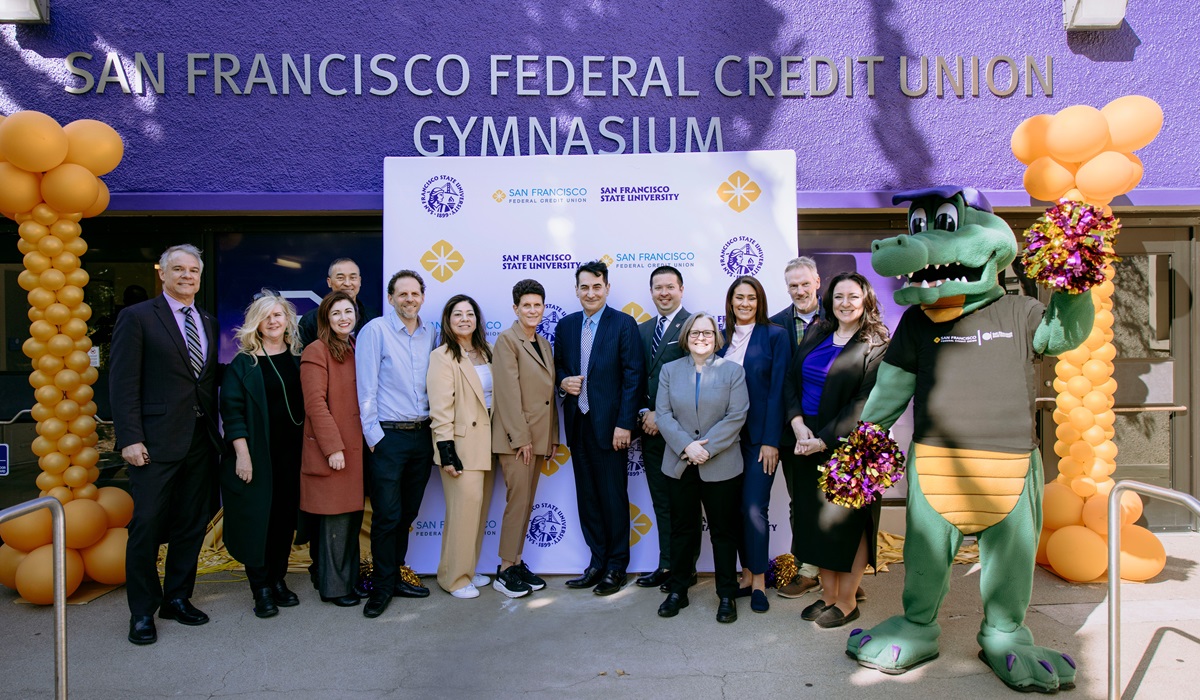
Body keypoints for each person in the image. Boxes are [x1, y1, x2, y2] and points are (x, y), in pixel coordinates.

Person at [110, 244, 221, 645]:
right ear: (163, 274)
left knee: (191, 525)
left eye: (193, 270)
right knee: (147, 526)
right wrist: (130, 437)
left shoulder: (207, 320)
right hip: (153, 443)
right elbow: (122, 383)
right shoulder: (137, 318)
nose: (187, 276)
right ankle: (142, 611)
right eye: (178, 269)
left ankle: (177, 597)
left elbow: (203, 381)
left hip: (199, 440)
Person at [785, 272, 889, 629]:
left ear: (866, 300)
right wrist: (797, 424)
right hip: (804, 440)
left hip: (849, 446)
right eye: (839, 296)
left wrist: (825, 438)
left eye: (853, 296)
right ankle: (828, 595)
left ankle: (847, 601)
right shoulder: (816, 332)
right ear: (829, 299)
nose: (845, 303)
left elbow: (865, 401)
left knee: (849, 525)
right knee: (817, 524)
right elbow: (791, 380)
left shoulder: (875, 342)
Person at [554, 260, 646, 596]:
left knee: (612, 498)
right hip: (578, 426)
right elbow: (559, 367)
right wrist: (564, 381)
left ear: (607, 287)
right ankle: (597, 562)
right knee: (588, 498)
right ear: (576, 290)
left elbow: (633, 377)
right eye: (584, 287)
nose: (590, 293)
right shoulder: (565, 326)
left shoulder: (623, 324)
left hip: (611, 429)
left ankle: (617, 566)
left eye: (596, 286)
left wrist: (625, 423)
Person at [653, 313, 748, 624]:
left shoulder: (733, 371)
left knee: (723, 531)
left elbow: (736, 416)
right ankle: (678, 590)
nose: (701, 337)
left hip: (720, 464)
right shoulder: (669, 371)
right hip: (680, 464)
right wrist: (686, 447)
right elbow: (663, 415)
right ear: (686, 336)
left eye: (707, 332)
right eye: (695, 332)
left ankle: (726, 594)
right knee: (682, 531)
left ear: (716, 337)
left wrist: (705, 449)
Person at [219, 290, 305, 619]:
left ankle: (278, 578)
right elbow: (233, 412)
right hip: (257, 455)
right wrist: (242, 454)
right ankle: (261, 588)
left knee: (284, 520)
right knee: (259, 521)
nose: (273, 321)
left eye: (278, 315)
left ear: (287, 321)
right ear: (257, 322)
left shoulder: (299, 359)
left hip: (291, 455)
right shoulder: (244, 364)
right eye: (266, 316)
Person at [356, 270, 437, 618]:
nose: (409, 299)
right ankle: (381, 586)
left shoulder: (430, 332)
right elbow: (366, 388)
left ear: (422, 297)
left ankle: (398, 574)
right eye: (401, 294)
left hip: (422, 435)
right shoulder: (375, 330)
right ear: (391, 298)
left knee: (407, 513)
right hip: (388, 437)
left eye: (414, 293)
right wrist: (374, 438)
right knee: (387, 515)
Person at [717, 275, 790, 614]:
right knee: (731, 510)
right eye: (738, 298)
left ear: (760, 302)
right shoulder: (719, 340)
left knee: (752, 508)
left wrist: (771, 440)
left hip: (760, 440)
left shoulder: (775, 336)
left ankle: (760, 580)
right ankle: (744, 575)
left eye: (751, 298)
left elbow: (778, 390)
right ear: (730, 302)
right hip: (725, 440)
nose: (744, 303)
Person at [490, 279, 558, 597]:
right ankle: (504, 569)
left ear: (543, 308)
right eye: (526, 305)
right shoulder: (507, 341)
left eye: (537, 305)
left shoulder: (543, 344)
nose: (532, 310)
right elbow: (507, 393)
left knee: (527, 503)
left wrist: (552, 437)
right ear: (515, 308)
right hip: (517, 441)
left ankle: (516, 562)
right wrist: (521, 439)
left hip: (538, 439)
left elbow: (547, 396)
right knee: (517, 503)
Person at [428, 295, 498, 599]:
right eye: (458, 314)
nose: (465, 319)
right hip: (460, 446)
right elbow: (440, 409)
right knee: (462, 514)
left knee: (478, 513)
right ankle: (453, 578)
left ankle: (467, 568)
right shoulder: (442, 356)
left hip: (489, 443)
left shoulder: (487, 351)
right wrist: (446, 450)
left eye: (470, 313)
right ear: (448, 320)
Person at [300, 291, 366, 608]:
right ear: (326, 318)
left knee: (350, 520)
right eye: (336, 312)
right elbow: (315, 404)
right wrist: (332, 448)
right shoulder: (317, 351)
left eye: (348, 311)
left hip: (357, 450)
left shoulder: (355, 347)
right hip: (335, 451)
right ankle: (334, 588)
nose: (343, 317)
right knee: (334, 524)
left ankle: (347, 581)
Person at [769, 257, 826, 599]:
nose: (800, 290)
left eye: (805, 283)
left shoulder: (837, 318)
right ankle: (806, 569)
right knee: (800, 502)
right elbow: (779, 381)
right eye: (793, 285)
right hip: (792, 430)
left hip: (831, 427)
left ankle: (836, 570)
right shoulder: (775, 325)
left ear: (817, 281)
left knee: (834, 500)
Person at [635, 266, 691, 591]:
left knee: (683, 504)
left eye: (670, 287)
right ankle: (667, 564)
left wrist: (661, 414)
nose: (664, 293)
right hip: (650, 432)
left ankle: (684, 569)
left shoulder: (693, 326)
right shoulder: (643, 330)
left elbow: (693, 377)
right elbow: (637, 379)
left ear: (681, 289)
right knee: (661, 501)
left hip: (680, 433)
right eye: (658, 288)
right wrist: (645, 412)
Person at [297, 258, 377, 347]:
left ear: (359, 281)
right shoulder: (310, 320)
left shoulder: (373, 317)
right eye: (340, 278)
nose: (347, 283)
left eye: (353, 278)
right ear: (329, 282)